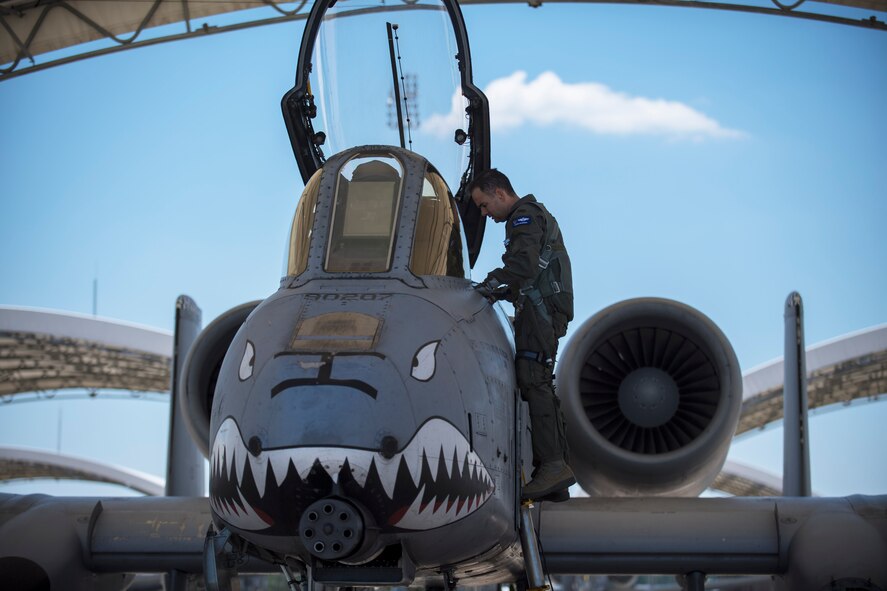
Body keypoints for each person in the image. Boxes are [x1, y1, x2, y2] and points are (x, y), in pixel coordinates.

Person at [468, 169, 575, 501]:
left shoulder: (523, 217)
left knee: (533, 379)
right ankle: (555, 474)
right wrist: (502, 290)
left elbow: (523, 266)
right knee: (538, 380)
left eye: (484, 205)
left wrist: (489, 284)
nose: (484, 214)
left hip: (540, 312)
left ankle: (553, 467)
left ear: (500, 193)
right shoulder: (531, 216)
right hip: (542, 309)